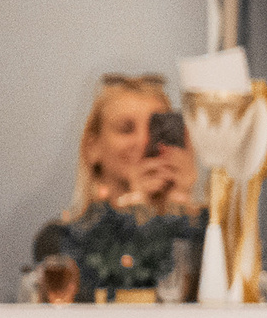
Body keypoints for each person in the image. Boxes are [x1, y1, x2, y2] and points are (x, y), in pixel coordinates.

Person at [32, 73, 206, 303]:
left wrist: (181, 199)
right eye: (126, 129)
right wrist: (137, 211)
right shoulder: (62, 239)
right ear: (93, 147)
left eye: (156, 130)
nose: (144, 141)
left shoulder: (203, 232)